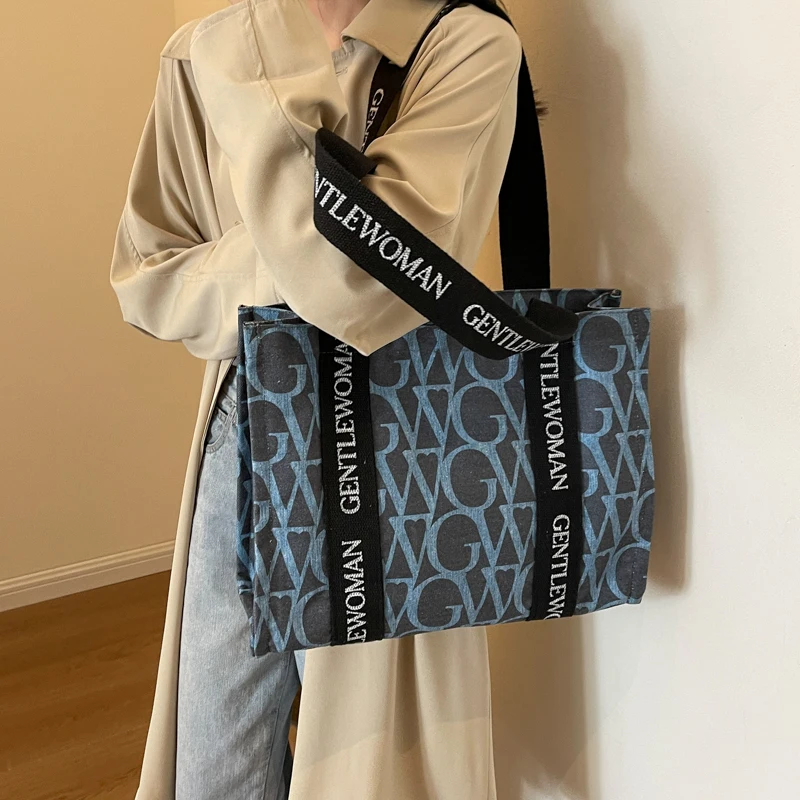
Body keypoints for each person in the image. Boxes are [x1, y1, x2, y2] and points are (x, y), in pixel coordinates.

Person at [109, 1, 524, 798]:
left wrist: (268, 44)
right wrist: (303, 261)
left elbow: (355, 283)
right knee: (212, 771)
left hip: (394, 444)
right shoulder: (202, 51)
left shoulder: (463, 40)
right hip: (243, 424)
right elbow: (146, 277)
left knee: (363, 771)